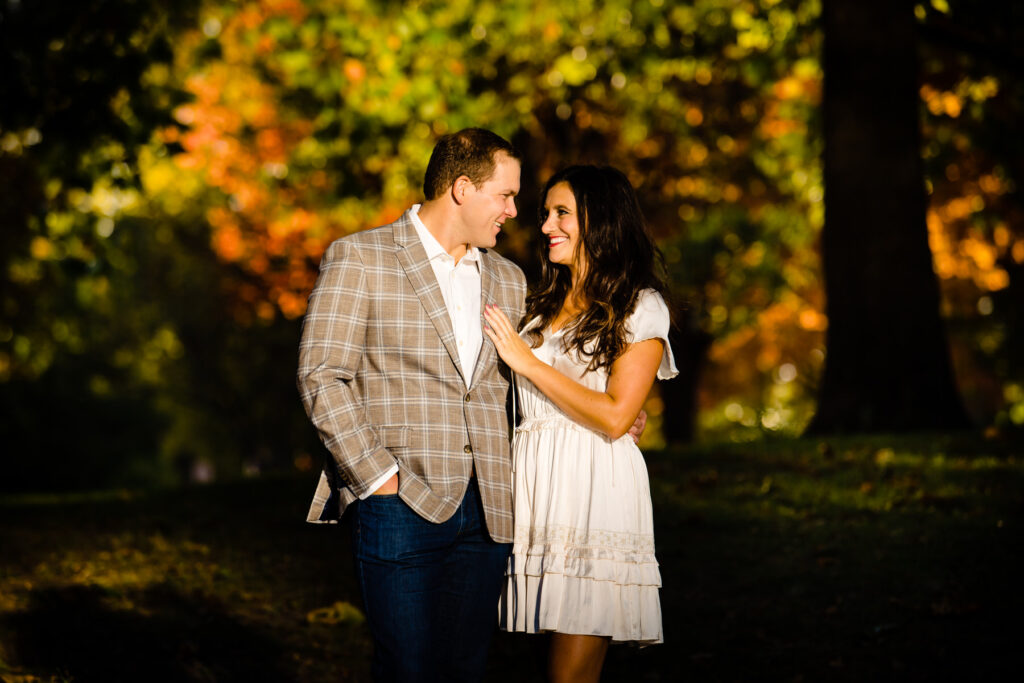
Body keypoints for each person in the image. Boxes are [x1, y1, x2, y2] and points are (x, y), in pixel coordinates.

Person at [296, 128, 527, 682]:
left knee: (465, 670)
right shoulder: (360, 257)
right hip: (400, 503)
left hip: (489, 509)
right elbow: (322, 375)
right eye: (505, 195)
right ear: (462, 188)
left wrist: (613, 407)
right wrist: (378, 478)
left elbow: (526, 383)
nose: (514, 211)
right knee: (407, 669)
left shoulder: (510, 280)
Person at [484, 165, 677, 683]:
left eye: (561, 213)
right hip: (536, 483)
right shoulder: (540, 305)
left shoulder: (639, 305)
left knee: (569, 673)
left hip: (594, 487)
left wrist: (529, 363)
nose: (546, 225)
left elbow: (616, 416)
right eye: (547, 213)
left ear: (601, 220)